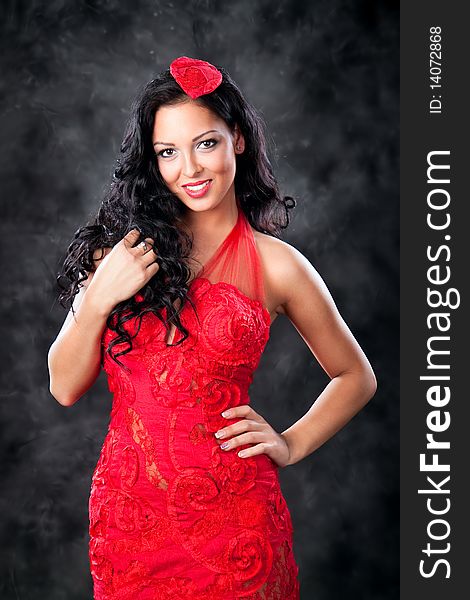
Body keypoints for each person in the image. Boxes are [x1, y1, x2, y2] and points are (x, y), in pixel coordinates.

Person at [48, 56, 377, 600]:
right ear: (153, 162)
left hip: (236, 524)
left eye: (206, 144)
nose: (190, 170)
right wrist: (101, 294)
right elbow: (63, 386)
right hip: (131, 520)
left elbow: (355, 376)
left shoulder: (277, 265)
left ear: (238, 140)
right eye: (167, 153)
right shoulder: (122, 252)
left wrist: (290, 443)